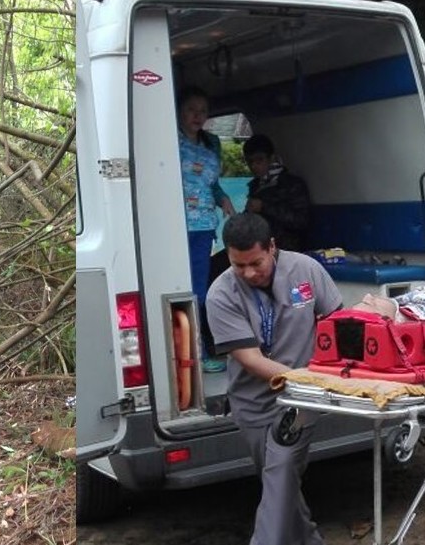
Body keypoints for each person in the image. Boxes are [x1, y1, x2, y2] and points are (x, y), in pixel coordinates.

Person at [205, 213, 342, 545]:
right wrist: (305, 377)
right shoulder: (221, 295)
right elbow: (251, 360)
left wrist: (327, 376)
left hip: (299, 401)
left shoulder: (306, 270)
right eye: (239, 266)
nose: (249, 273)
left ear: (272, 248)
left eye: (256, 263)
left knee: (280, 476)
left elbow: (338, 321)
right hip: (252, 405)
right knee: (281, 488)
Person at [177, 86, 235, 373]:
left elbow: (212, 185)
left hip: (202, 227)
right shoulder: (167, 139)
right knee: (174, 289)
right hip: (170, 227)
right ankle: (181, 356)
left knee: (199, 291)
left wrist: (223, 199)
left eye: (203, 111)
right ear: (179, 111)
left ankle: (198, 354)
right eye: (191, 109)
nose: (197, 116)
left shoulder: (212, 143)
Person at [243, 134, 312, 252]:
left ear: (271, 158)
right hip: (259, 248)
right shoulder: (255, 185)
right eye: (250, 162)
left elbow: (301, 221)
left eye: (259, 160)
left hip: (287, 249)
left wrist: (264, 206)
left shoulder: (292, 184)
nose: (254, 166)